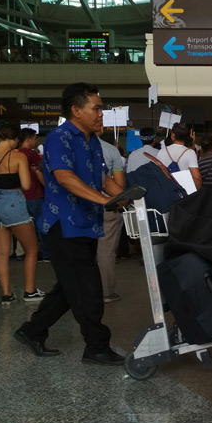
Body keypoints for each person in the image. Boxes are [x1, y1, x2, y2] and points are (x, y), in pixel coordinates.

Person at [14, 83, 126, 365]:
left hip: (86, 224)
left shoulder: (93, 142)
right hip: (63, 225)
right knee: (87, 288)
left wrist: (124, 197)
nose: (102, 113)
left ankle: (31, 330)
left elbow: (102, 179)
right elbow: (64, 177)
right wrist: (103, 201)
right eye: (97, 108)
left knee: (69, 287)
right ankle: (96, 346)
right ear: (76, 111)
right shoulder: (58, 138)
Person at [0, 123, 45, 305]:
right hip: (13, 203)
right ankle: (30, 291)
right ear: (15, 139)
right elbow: (26, 185)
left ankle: (7, 294)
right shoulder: (18, 156)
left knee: (2, 252)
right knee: (31, 249)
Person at [97, 129, 126, 303]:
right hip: (106, 205)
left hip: (80, 208)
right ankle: (106, 292)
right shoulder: (111, 150)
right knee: (106, 251)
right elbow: (119, 185)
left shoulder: (70, 147)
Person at [17, 128, 48, 262]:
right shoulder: (31, 154)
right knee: (41, 226)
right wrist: (46, 187)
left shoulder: (15, 154)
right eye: (35, 138)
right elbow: (39, 172)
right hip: (35, 194)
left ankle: (22, 253)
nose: (36, 141)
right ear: (28, 139)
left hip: (20, 196)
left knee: (24, 227)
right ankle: (45, 254)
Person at [157, 122, 201, 190]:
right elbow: (197, 177)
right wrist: (197, 193)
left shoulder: (161, 151)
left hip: (168, 190)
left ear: (173, 135)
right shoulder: (190, 153)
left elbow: (158, 174)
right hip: (185, 191)